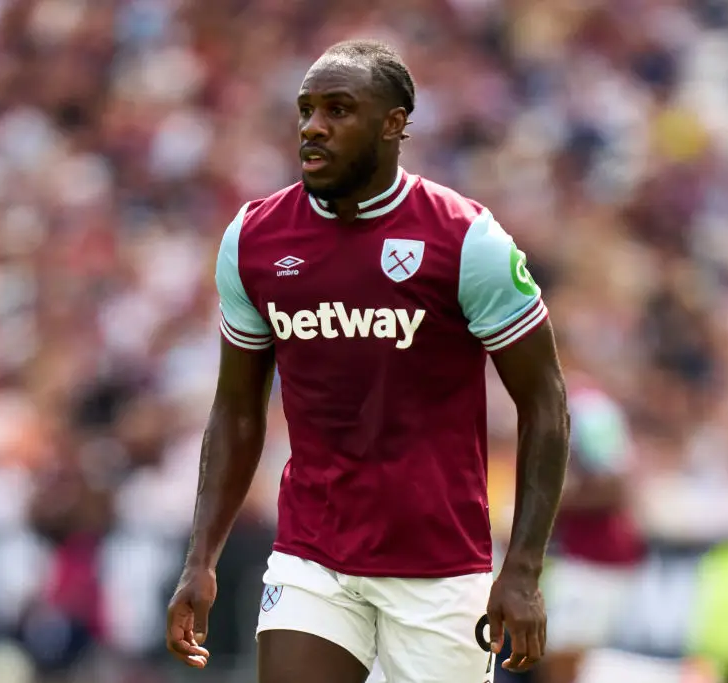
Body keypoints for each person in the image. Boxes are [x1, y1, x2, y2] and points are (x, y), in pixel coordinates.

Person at [166, 39, 570, 683]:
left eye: (338, 109)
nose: (313, 127)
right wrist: (200, 558)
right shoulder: (254, 239)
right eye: (306, 109)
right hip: (313, 556)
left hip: (440, 569)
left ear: (394, 124)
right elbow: (236, 409)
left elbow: (545, 402)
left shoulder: (467, 239)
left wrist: (521, 569)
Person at [535, 341, 645, 683]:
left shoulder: (588, 408)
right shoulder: (560, 403)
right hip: (582, 554)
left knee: (567, 660)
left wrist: (546, 503)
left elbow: (614, 488)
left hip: (597, 557)